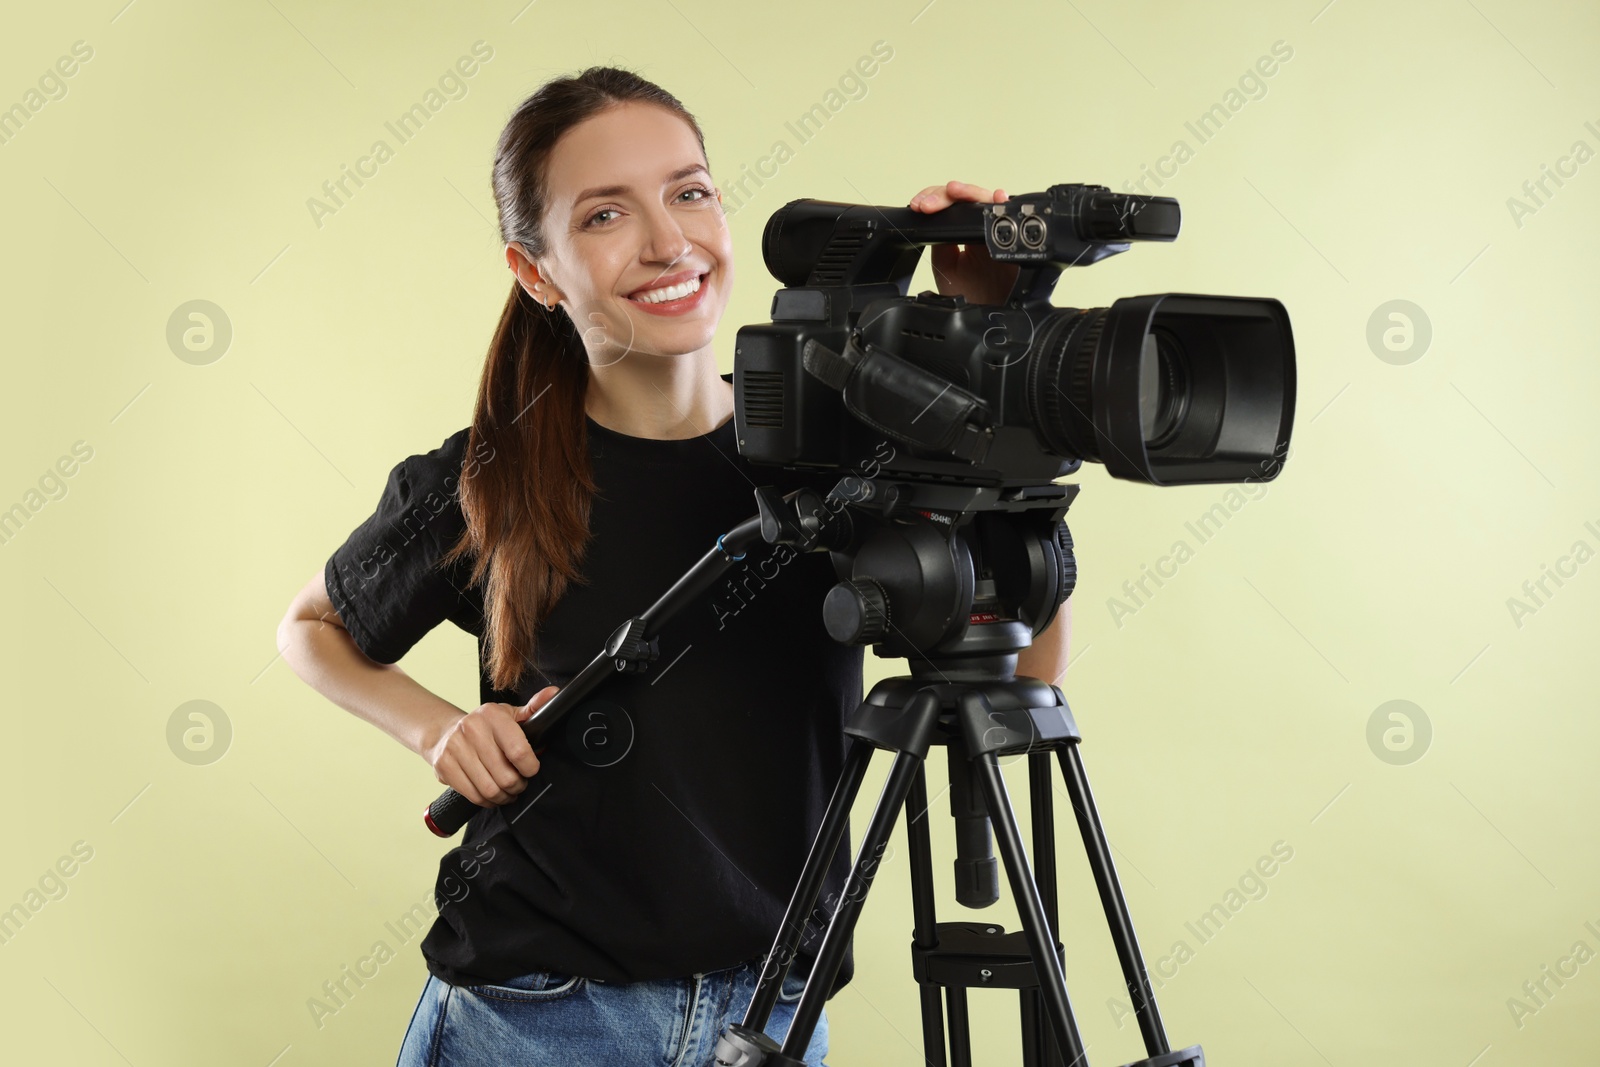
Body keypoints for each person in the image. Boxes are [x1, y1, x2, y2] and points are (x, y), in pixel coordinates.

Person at [276, 65, 1070, 1067]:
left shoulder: (845, 459)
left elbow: (1023, 661)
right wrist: (439, 729)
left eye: (689, 191)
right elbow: (309, 628)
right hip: (541, 1016)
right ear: (536, 271)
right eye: (606, 214)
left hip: (777, 1009)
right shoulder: (489, 474)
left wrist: (990, 349)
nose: (667, 241)